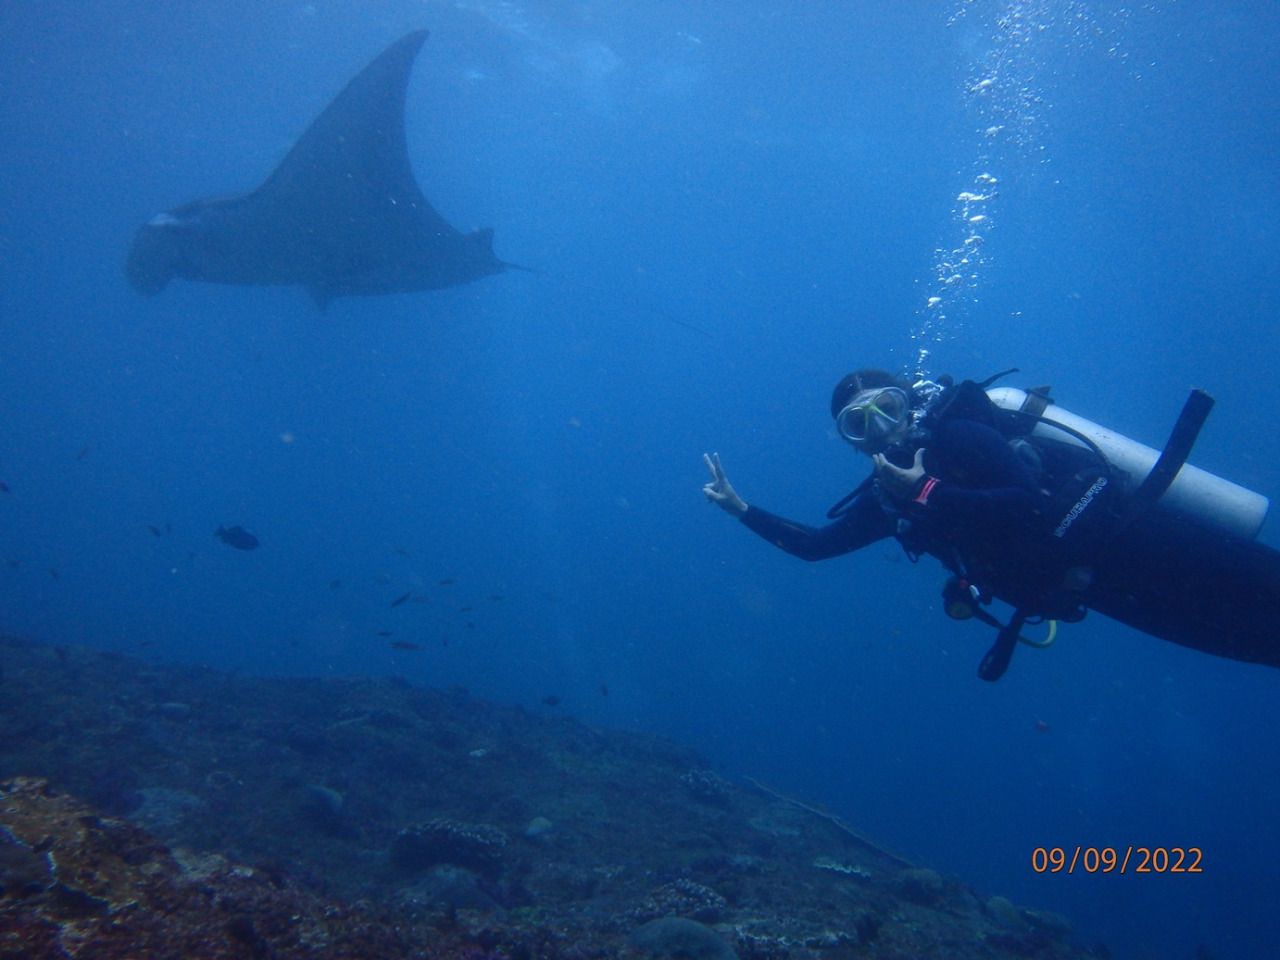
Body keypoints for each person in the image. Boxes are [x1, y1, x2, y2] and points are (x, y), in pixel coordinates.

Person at [703, 368, 1280, 680]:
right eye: (860, 424)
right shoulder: (887, 501)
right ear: (851, 442)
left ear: (910, 403)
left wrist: (927, 489)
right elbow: (816, 547)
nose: (881, 429)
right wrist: (742, 510)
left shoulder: (957, 437)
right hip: (1102, 590)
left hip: (1141, 537)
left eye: (889, 409)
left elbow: (1025, 503)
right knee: (1259, 647)